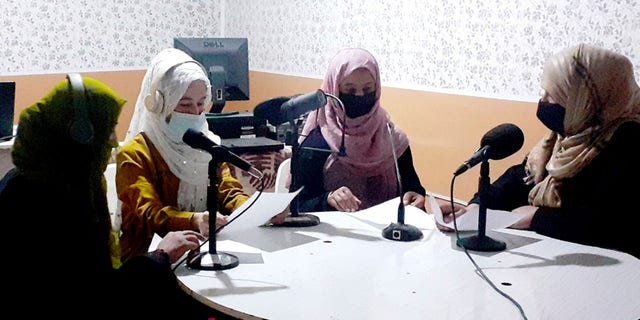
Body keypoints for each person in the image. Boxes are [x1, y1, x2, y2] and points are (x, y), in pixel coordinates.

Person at [0, 74, 221, 319]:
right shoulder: (35, 198)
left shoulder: (73, 179)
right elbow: (96, 292)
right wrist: (161, 255)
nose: (115, 143)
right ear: (78, 135)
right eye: (107, 131)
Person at [438, 44, 640, 258]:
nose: (543, 101)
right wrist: (477, 208)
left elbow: (613, 226)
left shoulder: (629, 143)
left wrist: (537, 218)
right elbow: (519, 178)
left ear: (585, 99)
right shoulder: (565, 137)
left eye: (553, 95)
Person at [117, 48, 285, 263]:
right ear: (161, 104)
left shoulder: (208, 145)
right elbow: (148, 215)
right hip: (151, 262)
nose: (195, 112)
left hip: (201, 253)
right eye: (185, 104)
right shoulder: (135, 154)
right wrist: (194, 220)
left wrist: (258, 211)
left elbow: (228, 193)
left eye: (201, 103)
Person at [292, 48, 426, 213]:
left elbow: (412, 188)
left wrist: (416, 195)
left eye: (368, 89)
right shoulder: (316, 144)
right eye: (349, 90)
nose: (360, 96)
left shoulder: (391, 137)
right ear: (333, 89)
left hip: (387, 232)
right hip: (336, 236)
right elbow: (298, 205)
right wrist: (328, 199)